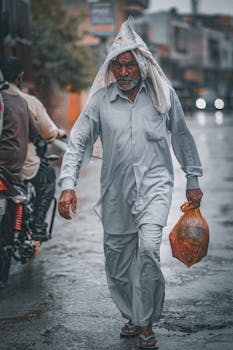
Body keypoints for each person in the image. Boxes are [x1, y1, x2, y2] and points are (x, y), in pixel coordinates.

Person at [58, 18, 203, 349]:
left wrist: (192, 177)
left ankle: (146, 320)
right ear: (111, 68)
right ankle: (132, 314)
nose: (123, 72)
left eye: (129, 65)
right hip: (115, 193)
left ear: (143, 66)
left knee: (150, 250)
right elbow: (78, 142)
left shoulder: (163, 97)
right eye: (118, 65)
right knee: (118, 262)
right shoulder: (100, 102)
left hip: (156, 187)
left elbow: (181, 135)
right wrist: (68, 183)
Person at [0, 56, 65, 241]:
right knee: (48, 177)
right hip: (20, 165)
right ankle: (38, 225)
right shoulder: (24, 101)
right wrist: (58, 133)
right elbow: (44, 132)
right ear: (20, 77)